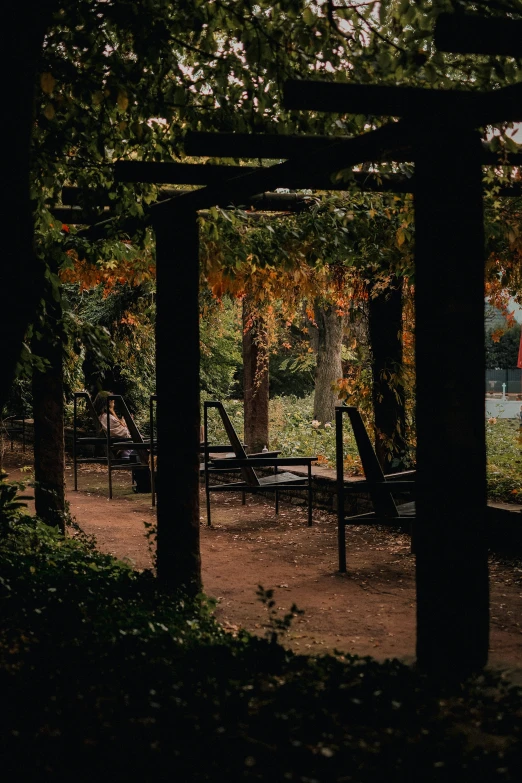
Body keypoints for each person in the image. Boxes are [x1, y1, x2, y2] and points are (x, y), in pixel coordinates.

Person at [93, 391, 135, 460]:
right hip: (123, 445)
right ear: (109, 402)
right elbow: (124, 433)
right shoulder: (107, 418)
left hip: (121, 442)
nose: (114, 404)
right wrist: (128, 424)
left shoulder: (105, 417)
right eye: (113, 402)